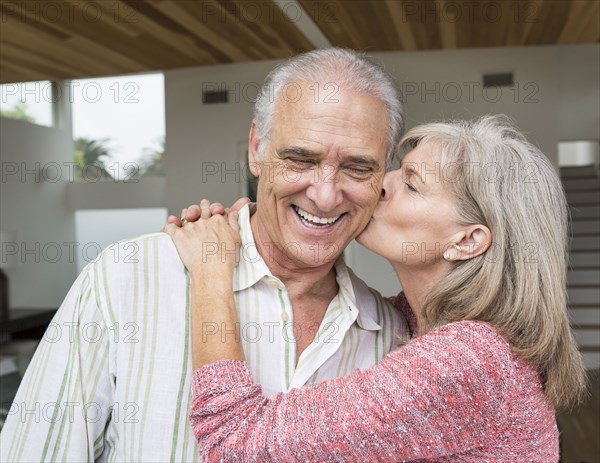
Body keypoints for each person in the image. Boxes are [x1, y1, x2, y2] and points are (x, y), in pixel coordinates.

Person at [0, 48, 409, 462]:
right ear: (256, 149)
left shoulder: (393, 339)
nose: (324, 194)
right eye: (300, 159)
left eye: (357, 168)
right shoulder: (127, 279)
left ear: (384, 174)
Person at [164, 115, 588, 462]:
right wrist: (267, 226)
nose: (381, 183)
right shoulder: (424, 322)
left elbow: (235, 445)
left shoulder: (468, 360)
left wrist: (212, 269)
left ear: (466, 241)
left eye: (412, 183)